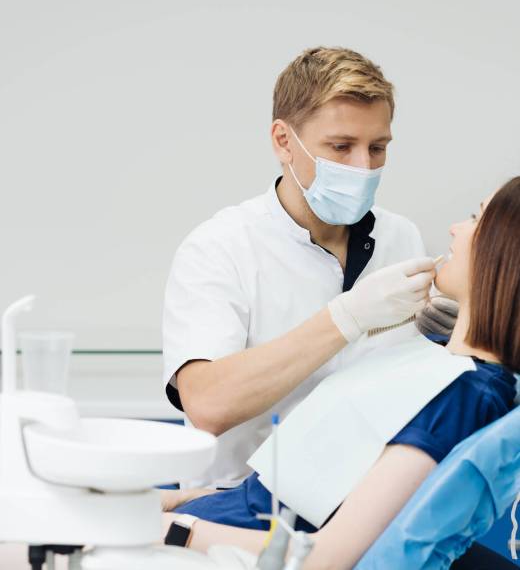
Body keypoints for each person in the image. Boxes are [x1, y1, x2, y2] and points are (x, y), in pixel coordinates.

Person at [163, 177, 520, 569]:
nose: (456, 228)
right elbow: (303, 498)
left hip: (222, 547)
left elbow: (328, 556)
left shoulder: (464, 395)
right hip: (224, 515)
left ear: (502, 252)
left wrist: (171, 529)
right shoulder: (443, 369)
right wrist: (181, 504)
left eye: (476, 217)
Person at [162, 46, 456, 490]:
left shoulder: (402, 238)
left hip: (368, 510)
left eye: (378, 148)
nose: (364, 167)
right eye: (341, 147)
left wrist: (449, 344)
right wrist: (345, 318)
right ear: (283, 141)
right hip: (245, 516)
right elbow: (206, 405)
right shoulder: (219, 248)